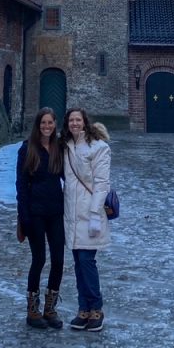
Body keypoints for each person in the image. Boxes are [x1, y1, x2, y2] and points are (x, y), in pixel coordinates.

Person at [61, 107, 111, 333]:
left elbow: (102, 183)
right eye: (71, 120)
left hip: (89, 213)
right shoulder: (65, 146)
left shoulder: (99, 147)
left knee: (87, 262)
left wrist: (94, 214)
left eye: (78, 120)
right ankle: (84, 310)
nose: (74, 124)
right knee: (79, 264)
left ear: (85, 122)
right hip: (71, 214)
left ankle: (96, 309)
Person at [15, 107, 65, 329]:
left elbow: (70, 175)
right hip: (35, 212)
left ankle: (50, 308)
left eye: (50, 123)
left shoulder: (58, 148)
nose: (47, 127)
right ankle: (32, 310)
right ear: (38, 125)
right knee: (39, 260)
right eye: (43, 123)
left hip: (55, 211)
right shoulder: (27, 150)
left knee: (58, 260)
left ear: (55, 125)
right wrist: (23, 215)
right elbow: (21, 184)